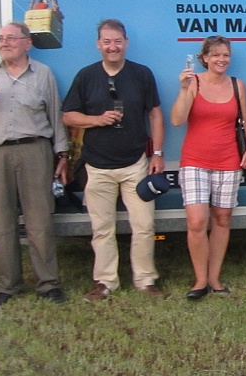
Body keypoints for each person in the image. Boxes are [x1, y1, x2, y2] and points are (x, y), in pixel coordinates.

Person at [0, 22, 69, 309]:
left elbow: (55, 116)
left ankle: (48, 284)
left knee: (40, 220)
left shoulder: (42, 74)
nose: (4, 43)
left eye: (11, 38)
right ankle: (8, 286)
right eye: (0, 39)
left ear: (27, 43)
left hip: (35, 151)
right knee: (1, 221)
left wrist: (62, 154)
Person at [62, 19, 168, 301]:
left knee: (144, 226)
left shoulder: (141, 74)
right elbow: (68, 116)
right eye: (107, 41)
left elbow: (155, 114)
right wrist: (97, 120)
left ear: (126, 43)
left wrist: (157, 154)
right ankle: (106, 281)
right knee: (102, 229)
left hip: (135, 165)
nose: (113, 47)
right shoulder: (86, 76)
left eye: (118, 41)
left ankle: (145, 280)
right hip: (97, 166)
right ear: (98, 44)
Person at [170, 36, 246, 300]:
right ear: (204, 58)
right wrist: (183, 90)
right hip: (195, 161)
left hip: (228, 160)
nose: (221, 59)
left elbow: (245, 120)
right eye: (216, 55)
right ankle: (200, 281)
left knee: (222, 219)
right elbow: (177, 120)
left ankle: (214, 278)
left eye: (225, 55)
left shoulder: (237, 85)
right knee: (197, 221)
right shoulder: (193, 82)